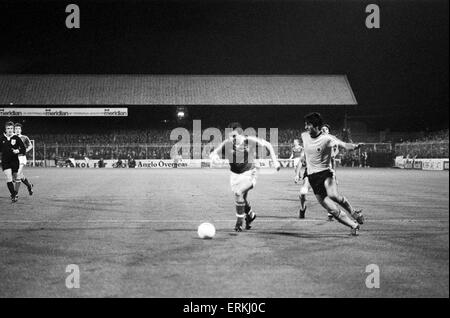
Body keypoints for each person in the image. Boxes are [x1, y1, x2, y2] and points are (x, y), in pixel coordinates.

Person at [209, 122, 281, 232]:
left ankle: (239, 222)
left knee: (238, 193)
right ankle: (251, 215)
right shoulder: (227, 143)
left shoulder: (250, 140)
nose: (231, 138)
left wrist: (275, 162)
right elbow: (213, 153)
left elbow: (269, 145)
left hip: (250, 172)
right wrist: (214, 157)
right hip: (234, 175)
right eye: (229, 136)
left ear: (240, 134)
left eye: (233, 136)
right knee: (242, 198)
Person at [301, 113, 364, 236]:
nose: (306, 127)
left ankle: (354, 212)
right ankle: (353, 225)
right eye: (305, 124)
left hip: (325, 173)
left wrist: (355, 146)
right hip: (312, 178)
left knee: (333, 195)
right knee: (332, 210)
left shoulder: (327, 139)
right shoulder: (304, 136)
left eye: (308, 124)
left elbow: (344, 145)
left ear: (317, 126)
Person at [0, 121, 26, 203]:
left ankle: (14, 193)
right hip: (5, 161)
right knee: (8, 177)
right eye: (8, 128)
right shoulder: (1, 138)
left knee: (16, 178)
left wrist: (18, 150)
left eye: (11, 128)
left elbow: (23, 149)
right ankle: (13, 195)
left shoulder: (16, 138)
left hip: (15, 162)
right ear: (5, 129)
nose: (10, 130)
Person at [14, 123, 34, 195]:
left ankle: (15, 194)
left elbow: (30, 146)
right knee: (20, 175)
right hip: (13, 159)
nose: (17, 130)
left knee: (18, 175)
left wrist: (25, 150)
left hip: (22, 158)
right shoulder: (11, 138)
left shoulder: (24, 137)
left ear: (21, 130)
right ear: (14, 130)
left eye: (19, 129)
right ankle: (29, 186)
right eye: (16, 129)